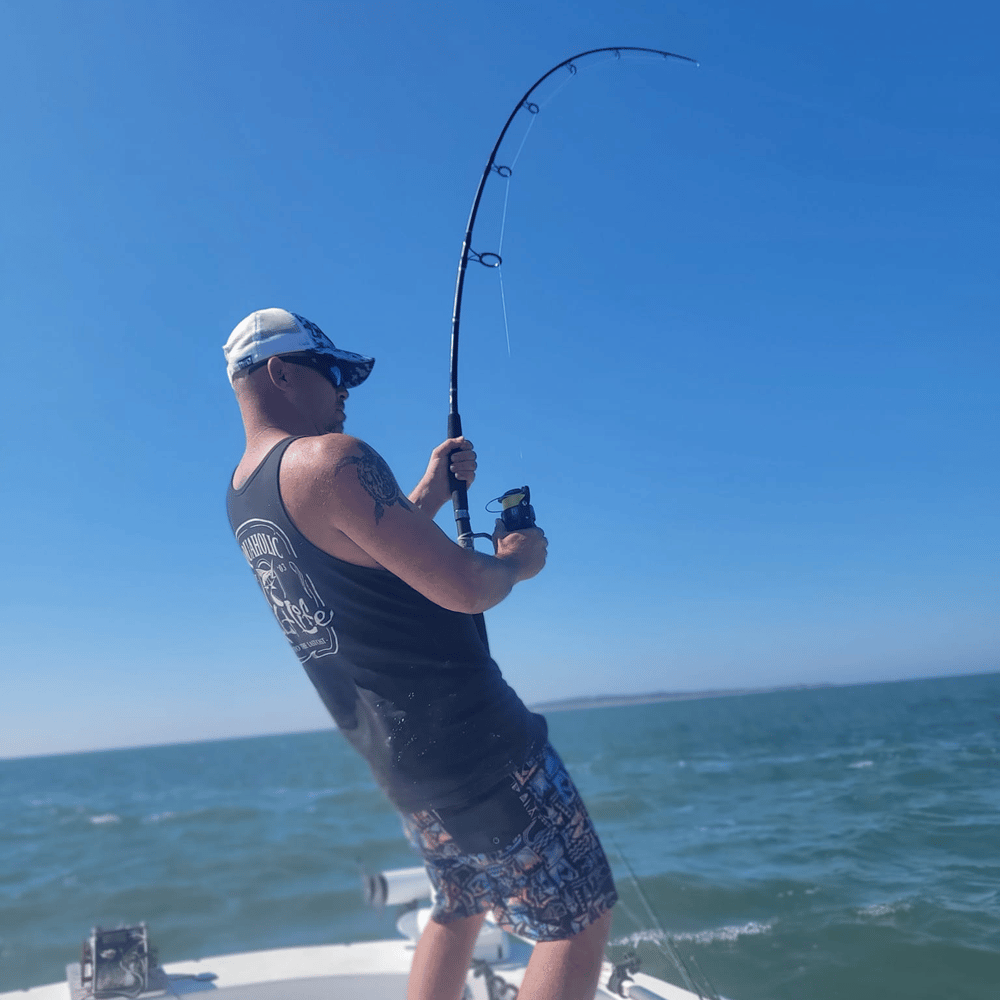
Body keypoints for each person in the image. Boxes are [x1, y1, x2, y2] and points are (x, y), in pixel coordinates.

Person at [223, 308, 617, 1000]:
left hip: (401, 764)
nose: (346, 392)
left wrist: (428, 494)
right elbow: (467, 587)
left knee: (460, 904)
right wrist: (517, 559)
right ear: (280, 371)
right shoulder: (331, 458)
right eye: (335, 373)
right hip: (478, 748)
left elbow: (362, 560)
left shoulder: (245, 494)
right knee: (576, 920)